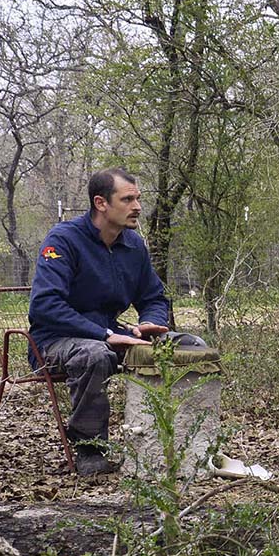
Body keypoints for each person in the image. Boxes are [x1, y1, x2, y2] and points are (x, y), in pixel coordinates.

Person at [29, 168, 199, 476]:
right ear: (101, 203)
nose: (137, 207)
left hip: (109, 334)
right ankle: (90, 448)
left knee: (189, 346)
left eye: (138, 199)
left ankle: (181, 445)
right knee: (95, 354)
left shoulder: (133, 246)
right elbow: (44, 305)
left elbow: (154, 298)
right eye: (128, 199)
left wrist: (150, 323)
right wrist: (105, 334)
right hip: (55, 341)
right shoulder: (63, 240)